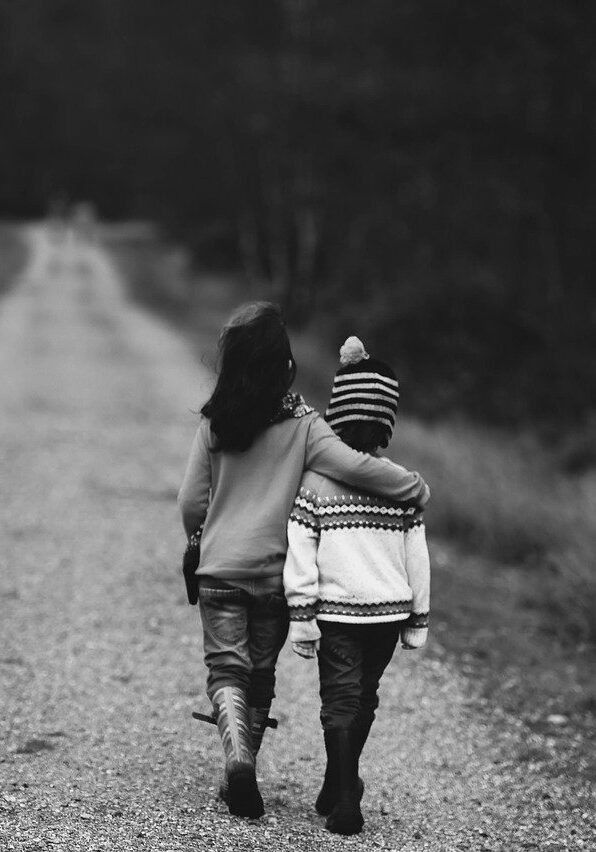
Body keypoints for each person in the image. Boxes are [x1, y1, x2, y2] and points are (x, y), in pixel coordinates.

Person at [177, 305, 430, 820]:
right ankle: (246, 762)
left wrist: (203, 539)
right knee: (261, 675)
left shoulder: (215, 424)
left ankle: (238, 758)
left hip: (220, 571)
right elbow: (356, 467)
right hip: (274, 575)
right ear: (284, 365)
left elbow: (190, 502)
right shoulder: (306, 426)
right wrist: (414, 487)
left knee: (226, 668)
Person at [283, 336, 431, 836]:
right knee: (364, 697)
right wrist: (418, 618)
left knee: (339, 701)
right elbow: (418, 558)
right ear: (387, 424)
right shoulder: (399, 485)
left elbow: (300, 553)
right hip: (388, 614)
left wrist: (301, 617)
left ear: (335, 417)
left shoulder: (316, 483)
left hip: (338, 613)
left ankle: (345, 796)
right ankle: (338, 782)